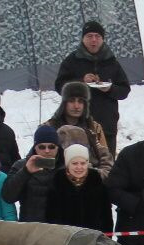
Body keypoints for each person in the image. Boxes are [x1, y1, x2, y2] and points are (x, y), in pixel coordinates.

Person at [54, 21, 132, 153]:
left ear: (102, 39)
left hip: (106, 125)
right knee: (79, 165)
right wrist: (81, 81)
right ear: (83, 39)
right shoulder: (72, 61)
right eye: (89, 36)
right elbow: (59, 86)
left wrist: (110, 89)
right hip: (77, 124)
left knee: (106, 165)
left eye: (97, 36)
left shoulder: (111, 61)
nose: (94, 40)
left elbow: (124, 90)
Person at [48, 83, 114, 178]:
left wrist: (95, 175)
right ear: (64, 103)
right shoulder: (49, 128)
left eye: (80, 101)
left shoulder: (94, 128)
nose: (76, 106)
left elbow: (106, 159)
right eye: (71, 101)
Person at [42, 143, 112, 231]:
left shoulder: (97, 182)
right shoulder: (57, 183)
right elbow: (50, 217)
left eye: (83, 163)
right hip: (65, 240)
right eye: (74, 163)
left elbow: (106, 217)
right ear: (67, 165)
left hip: (93, 240)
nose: (79, 167)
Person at [4, 125, 60, 223]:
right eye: (42, 147)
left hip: (58, 229)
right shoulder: (21, 165)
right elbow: (8, 196)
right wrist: (26, 171)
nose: (47, 151)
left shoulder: (66, 166)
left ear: (57, 147)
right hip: (30, 228)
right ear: (35, 147)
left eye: (51, 147)